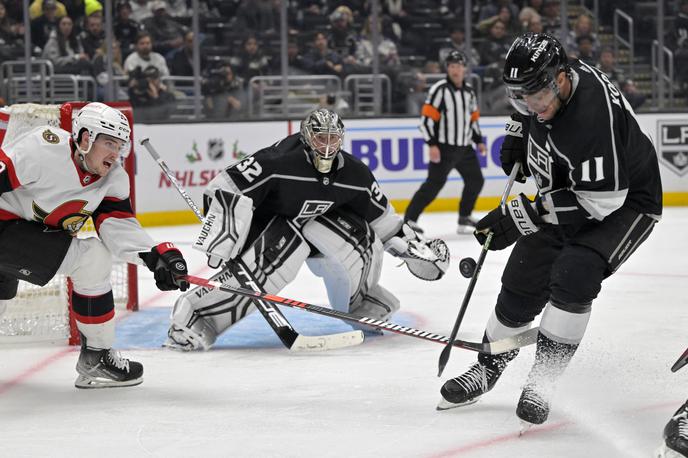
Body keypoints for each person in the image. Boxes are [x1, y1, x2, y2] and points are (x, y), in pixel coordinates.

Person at [438, 33, 662, 428]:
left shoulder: (592, 120)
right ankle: (489, 367)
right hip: (569, 189)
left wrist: (519, 216)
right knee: (523, 274)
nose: (528, 105)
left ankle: (544, 380)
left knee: (575, 271)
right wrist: (517, 129)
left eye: (534, 97)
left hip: (624, 203)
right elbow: (529, 106)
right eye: (517, 97)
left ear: (560, 79)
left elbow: (599, 202)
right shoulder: (546, 86)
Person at [163, 108, 450, 351]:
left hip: (318, 231)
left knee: (364, 238)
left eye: (332, 138)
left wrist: (414, 250)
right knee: (281, 251)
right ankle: (196, 316)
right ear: (306, 137)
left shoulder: (356, 174)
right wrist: (226, 237)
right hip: (270, 228)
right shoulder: (276, 161)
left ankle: (361, 304)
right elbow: (225, 188)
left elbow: (384, 221)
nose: (326, 145)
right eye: (320, 138)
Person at [0, 102, 189, 387]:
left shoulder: (113, 179)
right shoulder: (41, 148)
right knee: (91, 258)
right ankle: (96, 358)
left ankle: (96, 359)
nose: (115, 154)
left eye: (120, 146)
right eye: (109, 143)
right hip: (5, 230)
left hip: (22, 239)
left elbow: (119, 226)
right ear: (86, 138)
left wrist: (156, 256)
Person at [404, 50, 486, 235]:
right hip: (444, 148)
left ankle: (464, 217)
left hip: (465, 148)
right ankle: (409, 219)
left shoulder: (469, 92)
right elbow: (426, 120)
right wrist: (432, 144)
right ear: (447, 69)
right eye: (451, 66)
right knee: (433, 185)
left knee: (476, 180)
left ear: (464, 68)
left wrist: (478, 141)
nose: (455, 70)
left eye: (458, 66)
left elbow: (472, 120)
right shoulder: (439, 90)